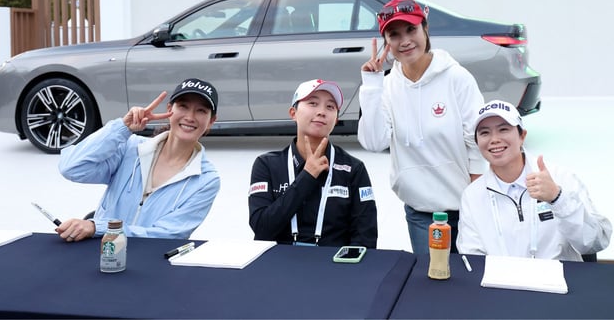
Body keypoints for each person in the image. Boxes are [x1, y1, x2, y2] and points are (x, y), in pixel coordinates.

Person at [358, 0, 485, 254]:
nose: (404, 41)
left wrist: (476, 205)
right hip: (420, 213)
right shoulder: (387, 86)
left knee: (471, 285)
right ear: (386, 42)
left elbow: (477, 142)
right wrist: (371, 84)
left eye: (411, 30)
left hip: (466, 211)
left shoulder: (457, 78)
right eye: (394, 35)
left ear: (425, 29)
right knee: (433, 285)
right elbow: (374, 142)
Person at [56, 78, 221, 241]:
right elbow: (71, 168)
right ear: (169, 109)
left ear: (211, 121)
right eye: (183, 106)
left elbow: (167, 235)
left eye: (201, 111)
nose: (190, 117)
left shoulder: (206, 179)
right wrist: (122, 127)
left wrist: (97, 227)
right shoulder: (130, 147)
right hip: (102, 252)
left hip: (151, 260)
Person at [457, 100, 612, 259]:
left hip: (561, 281)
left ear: (522, 136)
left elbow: (596, 241)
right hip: (499, 283)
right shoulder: (472, 195)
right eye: (484, 133)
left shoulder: (561, 178)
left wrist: (557, 198)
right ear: (476, 142)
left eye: (503, 129)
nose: (494, 139)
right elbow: (471, 257)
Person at [249, 79, 378, 248]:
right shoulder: (266, 164)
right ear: (293, 113)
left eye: (330, 107)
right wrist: (307, 176)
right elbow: (262, 229)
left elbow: (365, 238)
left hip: (335, 266)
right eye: (313, 103)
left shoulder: (353, 168)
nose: (321, 112)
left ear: (336, 119)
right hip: (279, 263)